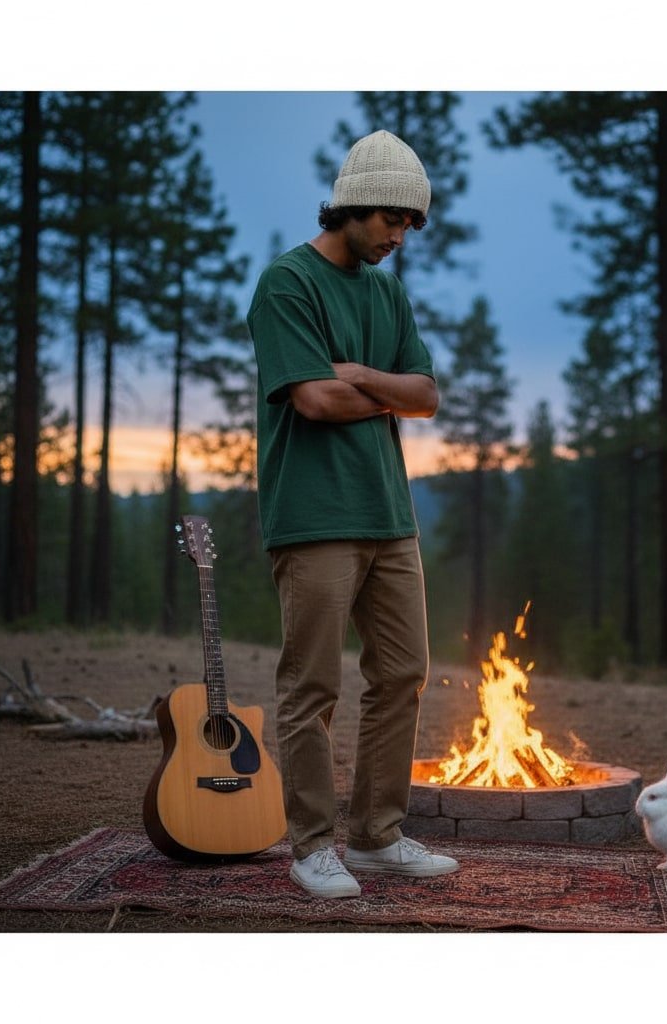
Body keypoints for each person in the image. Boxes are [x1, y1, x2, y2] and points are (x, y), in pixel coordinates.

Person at [247, 130, 459, 898]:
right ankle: (311, 846)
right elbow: (313, 399)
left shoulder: (386, 293)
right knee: (312, 688)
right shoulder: (287, 284)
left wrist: (365, 375)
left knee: (402, 673)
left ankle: (375, 836)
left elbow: (428, 397)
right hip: (313, 518)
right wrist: (384, 392)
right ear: (353, 206)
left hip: (389, 515)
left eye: (410, 227)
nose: (401, 239)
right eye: (393, 222)